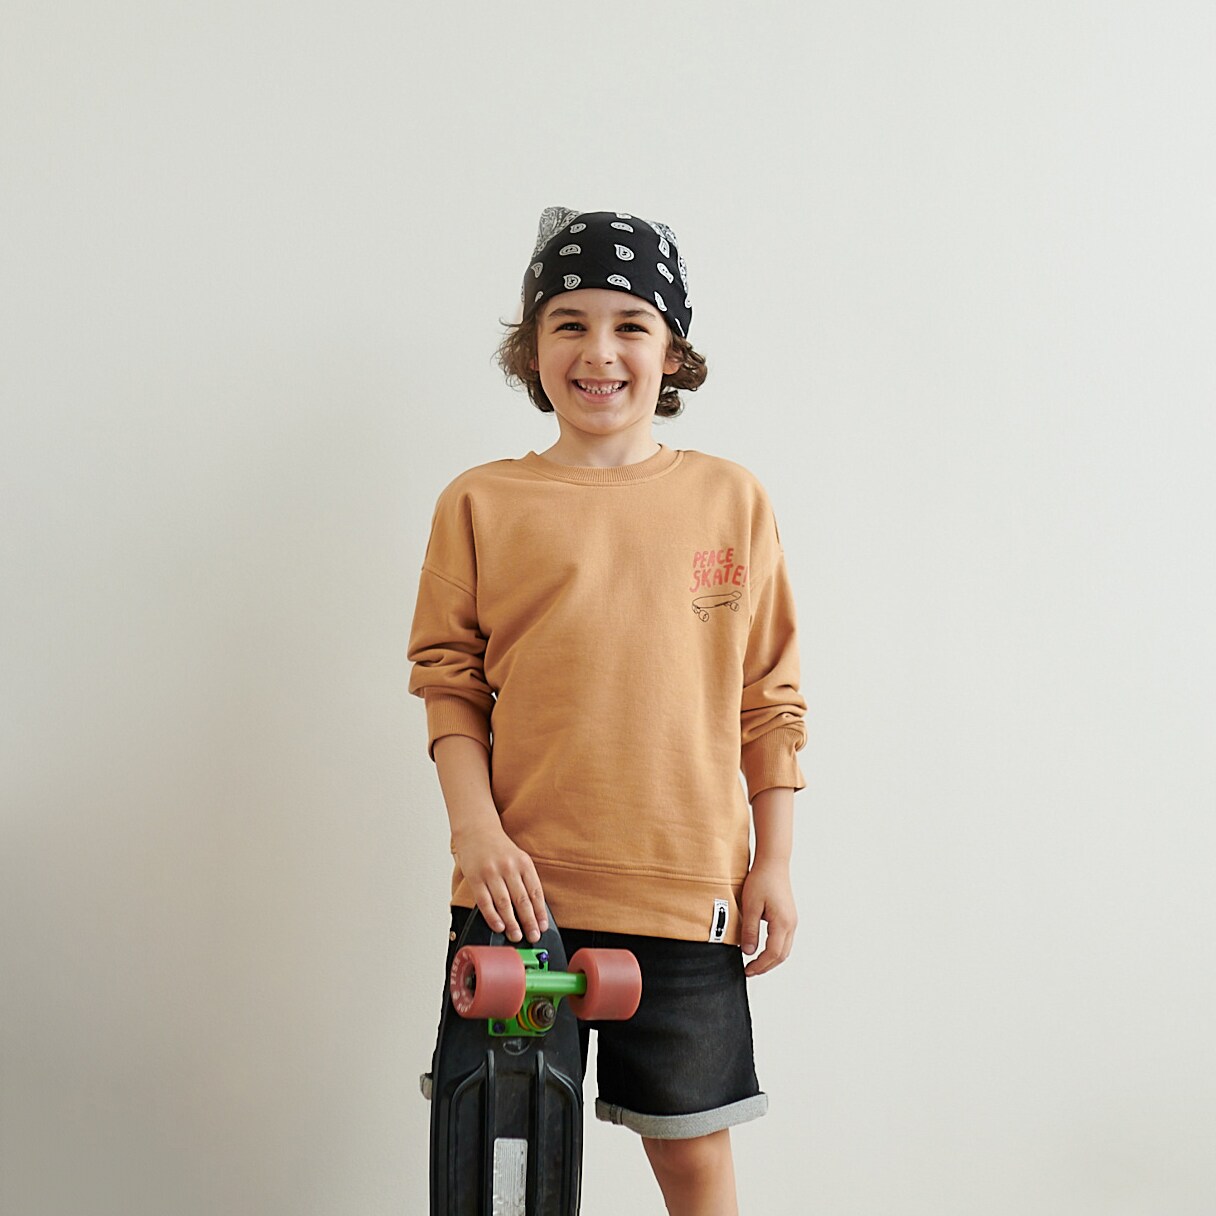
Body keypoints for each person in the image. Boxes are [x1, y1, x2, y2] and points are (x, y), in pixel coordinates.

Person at [407, 206, 807, 1216]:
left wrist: (773, 859)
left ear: (672, 351)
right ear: (531, 347)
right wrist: (476, 833)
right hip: (517, 900)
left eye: (631, 324)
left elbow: (769, 698)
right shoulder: (480, 502)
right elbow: (449, 682)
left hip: (686, 896)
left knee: (695, 1165)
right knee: (505, 1172)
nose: (599, 351)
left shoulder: (731, 501)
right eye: (569, 323)